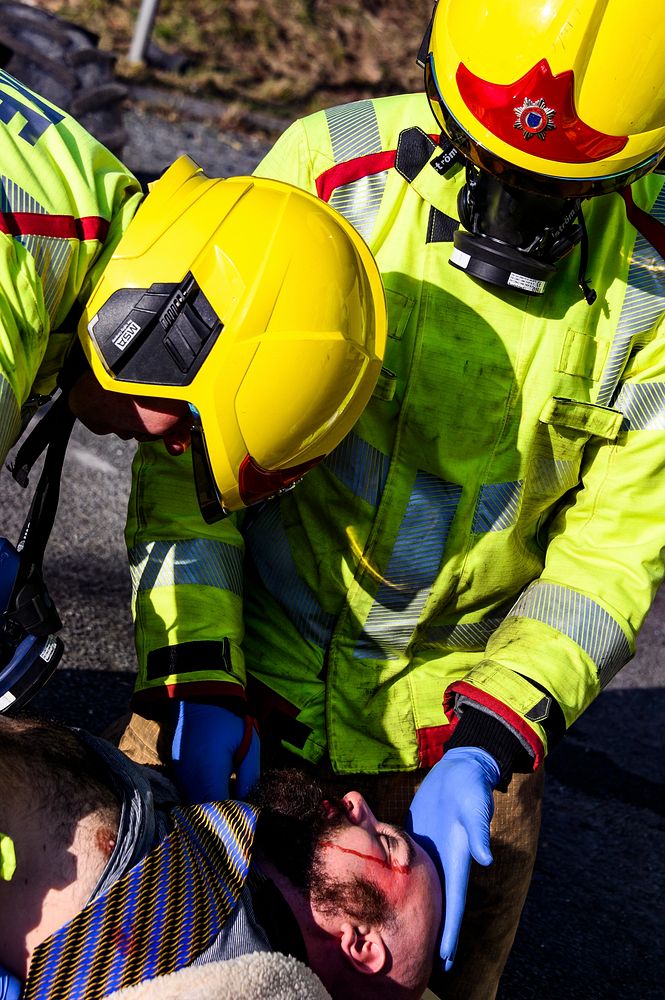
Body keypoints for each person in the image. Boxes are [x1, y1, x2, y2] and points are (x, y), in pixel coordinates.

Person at [117, 0, 665, 997]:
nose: (505, 216)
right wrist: (195, 666)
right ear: (437, 96)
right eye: (484, 168)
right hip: (242, 670)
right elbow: (191, 451)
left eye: (550, 194)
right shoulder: (328, 175)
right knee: (135, 941)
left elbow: (611, 557)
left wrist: (491, 738)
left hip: (453, 727)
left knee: (451, 972)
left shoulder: (653, 286)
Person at [0, 67, 386, 720]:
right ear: (166, 331)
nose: (173, 446)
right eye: (191, 428)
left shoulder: (78, 194)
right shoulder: (24, 262)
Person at [0, 715, 441, 1000]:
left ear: (360, 944)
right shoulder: (220, 854)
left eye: (386, 842)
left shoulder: (169, 925)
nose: (357, 801)